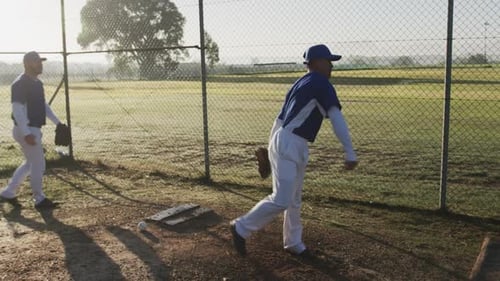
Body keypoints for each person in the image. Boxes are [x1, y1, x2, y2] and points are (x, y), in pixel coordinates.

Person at [230, 44, 358, 257]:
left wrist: (271, 148)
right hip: (290, 143)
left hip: (289, 142)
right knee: (282, 199)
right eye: (328, 61)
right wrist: (350, 152)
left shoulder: (300, 83)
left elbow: (279, 120)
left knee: (294, 199)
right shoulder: (320, 82)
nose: (331, 66)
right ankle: (240, 227)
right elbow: (335, 115)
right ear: (316, 63)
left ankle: (294, 242)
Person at [0, 51, 63, 209]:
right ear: (28, 63)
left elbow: (43, 106)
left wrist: (58, 123)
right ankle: (39, 199)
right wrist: (27, 133)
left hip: (31, 129)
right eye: (37, 61)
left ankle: (8, 192)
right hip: (26, 128)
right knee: (38, 164)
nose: (40, 64)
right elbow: (17, 109)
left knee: (30, 163)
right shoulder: (20, 83)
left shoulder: (37, 83)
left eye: (40, 61)